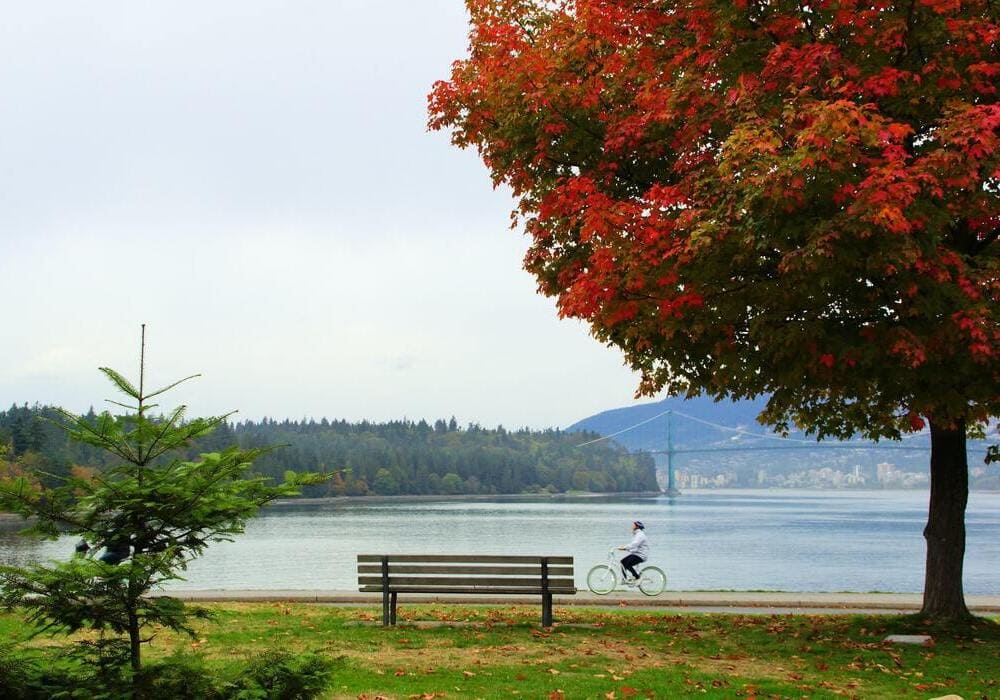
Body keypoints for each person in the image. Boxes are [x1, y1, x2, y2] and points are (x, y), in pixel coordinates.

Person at [617, 520, 649, 585]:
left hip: (641, 555)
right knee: (623, 562)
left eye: (633, 525)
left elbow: (634, 544)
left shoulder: (640, 535)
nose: (631, 526)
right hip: (637, 554)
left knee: (627, 564)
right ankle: (624, 579)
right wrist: (625, 549)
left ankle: (637, 577)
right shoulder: (637, 534)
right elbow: (634, 547)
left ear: (637, 527)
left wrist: (625, 547)